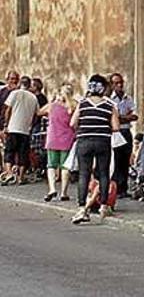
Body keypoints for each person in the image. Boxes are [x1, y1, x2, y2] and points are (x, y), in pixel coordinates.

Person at [70, 74, 120, 224]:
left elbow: (73, 123)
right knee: (103, 173)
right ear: (103, 89)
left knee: (84, 174)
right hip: (103, 141)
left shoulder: (82, 103)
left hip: (84, 141)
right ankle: (103, 206)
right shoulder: (109, 106)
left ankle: (81, 208)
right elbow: (116, 127)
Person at [39, 83, 77, 201]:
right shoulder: (74, 106)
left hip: (52, 139)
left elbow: (39, 112)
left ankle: (52, 189)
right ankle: (63, 193)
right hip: (67, 139)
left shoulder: (52, 106)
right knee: (65, 166)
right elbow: (76, 123)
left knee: (51, 165)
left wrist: (53, 101)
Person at [1, 75, 39, 186]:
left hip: (13, 127)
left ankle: (9, 173)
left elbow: (8, 109)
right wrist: (30, 125)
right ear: (29, 85)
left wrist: (6, 124)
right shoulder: (33, 97)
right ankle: (21, 177)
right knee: (23, 154)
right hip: (25, 129)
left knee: (9, 151)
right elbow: (36, 114)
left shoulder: (14, 93)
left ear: (20, 84)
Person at [109, 73, 138, 197]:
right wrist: (124, 117)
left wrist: (120, 117)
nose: (119, 85)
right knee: (115, 160)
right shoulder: (109, 99)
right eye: (116, 83)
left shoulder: (128, 98)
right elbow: (111, 118)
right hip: (115, 133)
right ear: (112, 85)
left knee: (125, 160)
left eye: (121, 82)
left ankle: (123, 188)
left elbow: (134, 116)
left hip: (126, 131)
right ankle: (114, 187)